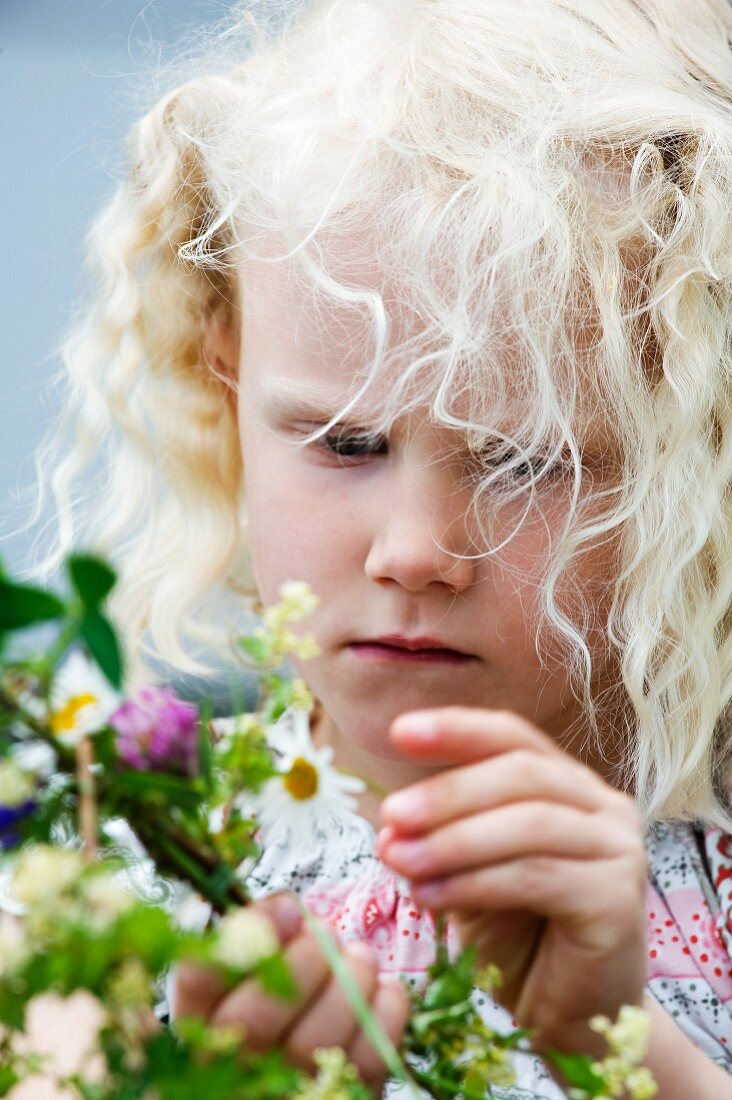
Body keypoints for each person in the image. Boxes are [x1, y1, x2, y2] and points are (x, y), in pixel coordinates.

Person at [16, 0, 732, 1095]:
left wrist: (622, 1048)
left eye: (524, 459)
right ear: (227, 383)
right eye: (346, 441)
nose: (415, 551)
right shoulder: (105, 880)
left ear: (696, 451)